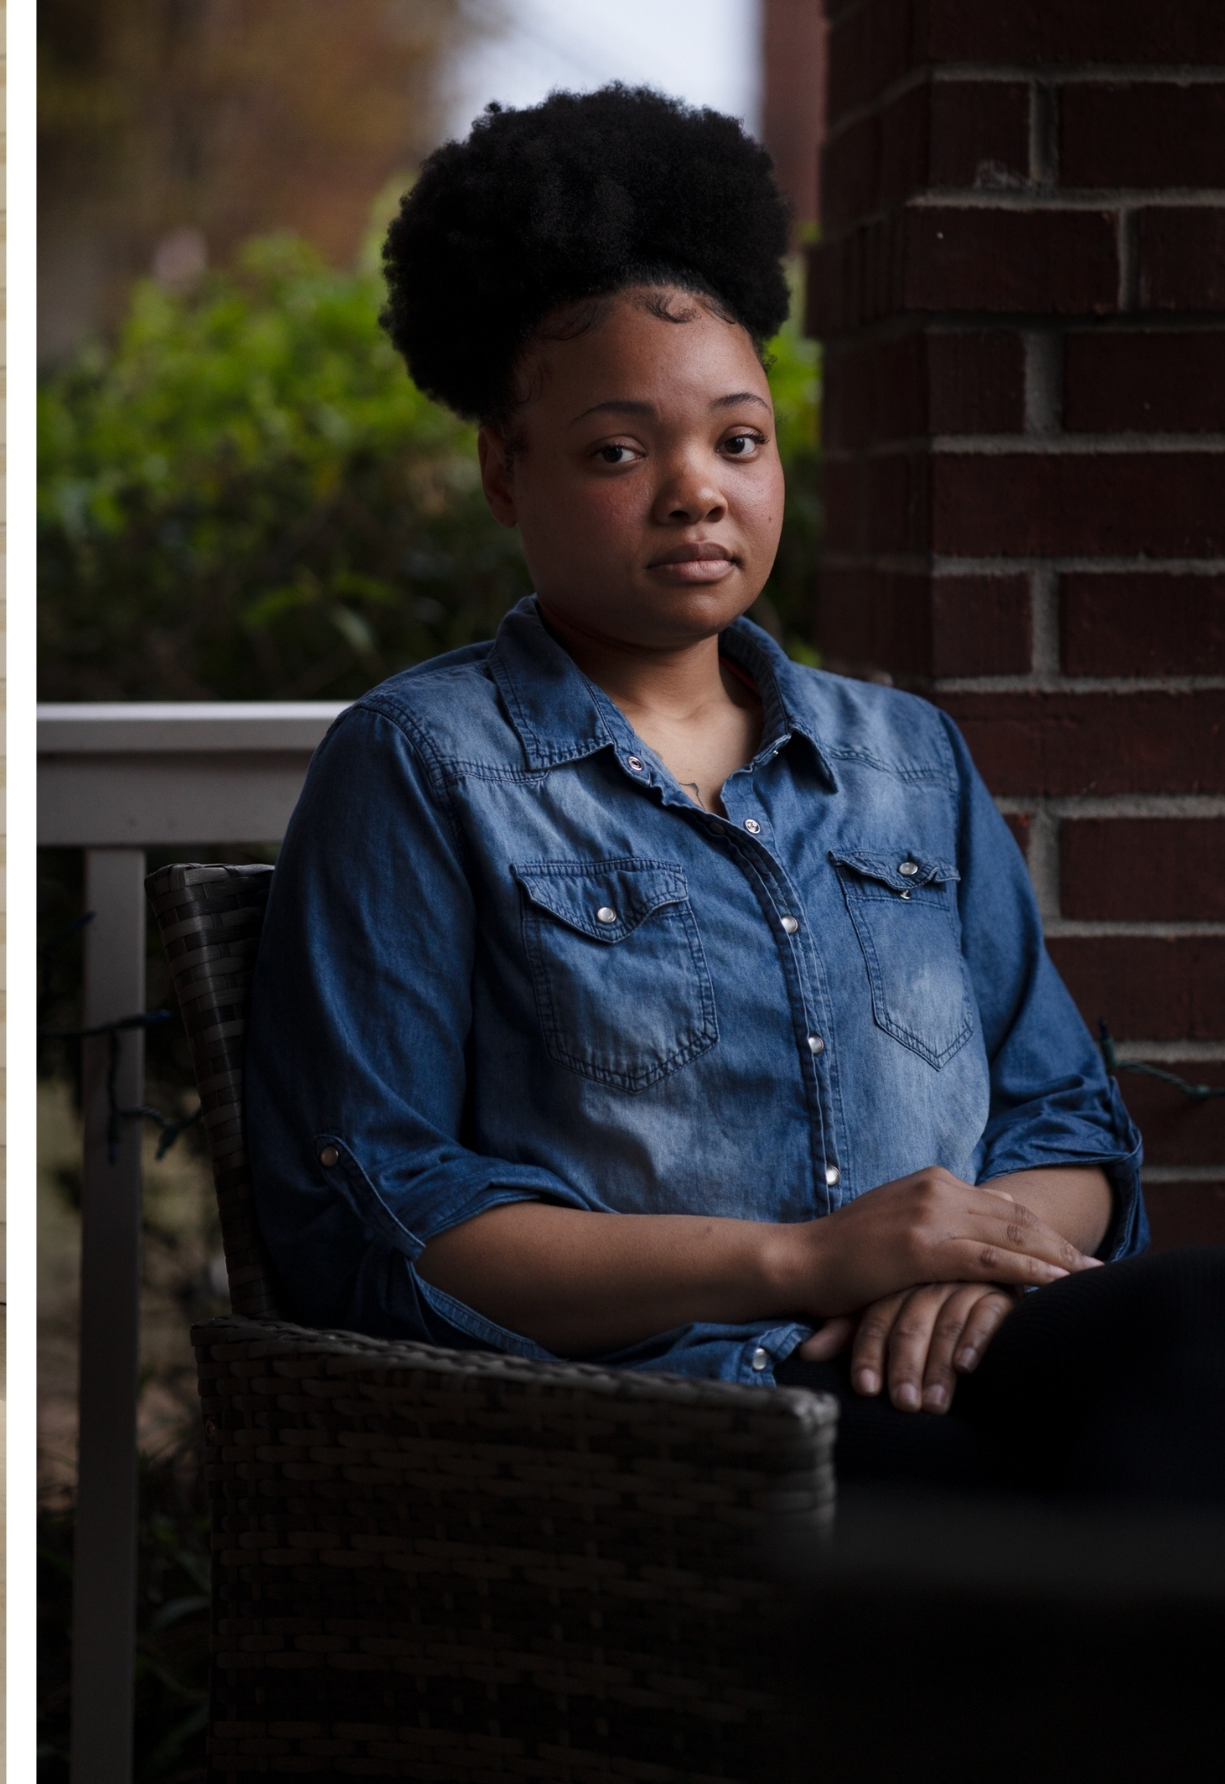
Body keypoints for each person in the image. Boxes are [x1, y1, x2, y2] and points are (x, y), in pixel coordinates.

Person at [246, 86, 1225, 1504]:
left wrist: (961, 1272)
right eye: (619, 450)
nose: (696, 491)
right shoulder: (419, 763)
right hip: (681, 1417)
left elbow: (1066, 1124)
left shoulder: (906, 759)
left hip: (965, 1354)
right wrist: (815, 1263)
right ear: (504, 471)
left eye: (739, 440)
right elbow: (382, 1218)